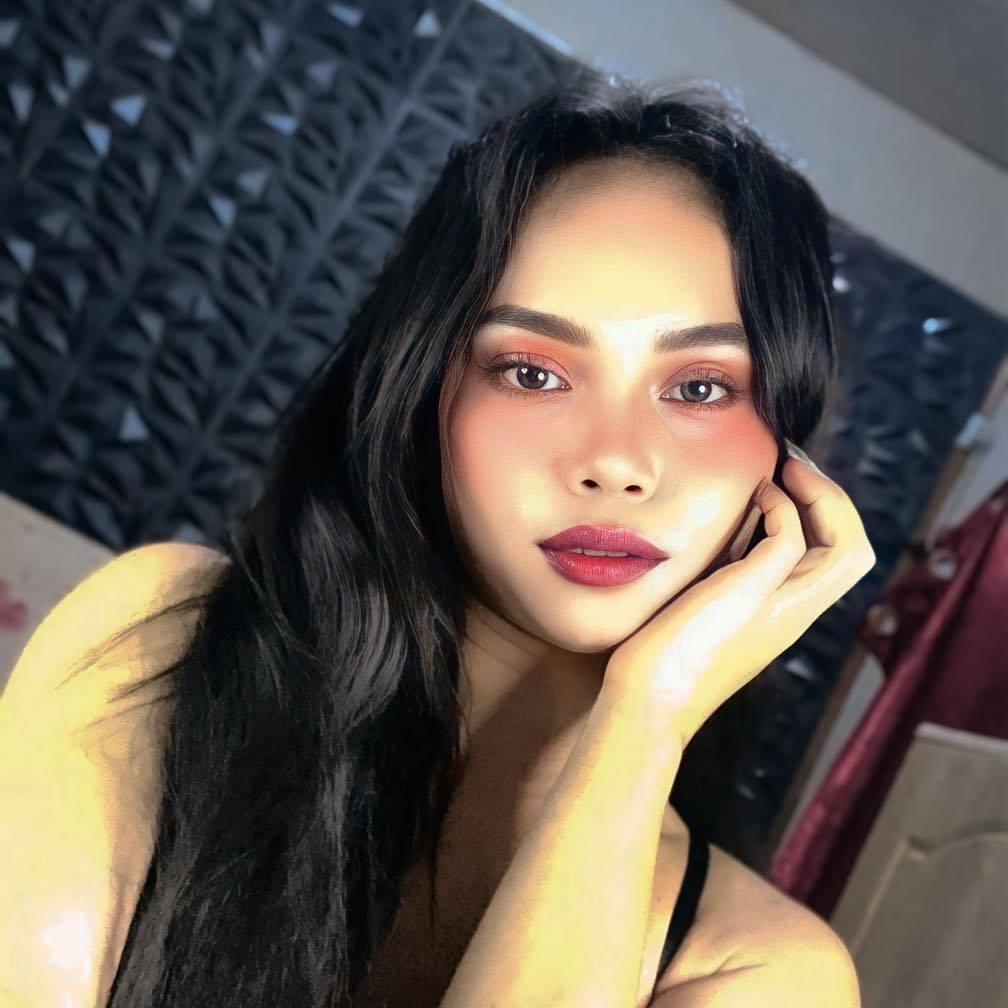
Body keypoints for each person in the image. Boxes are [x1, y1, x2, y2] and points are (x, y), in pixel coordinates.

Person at [0, 68, 874, 1007]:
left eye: (700, 388)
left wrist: (643, 723)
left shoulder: (768, 971)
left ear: (789, 458)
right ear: (423, 392)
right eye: (531, 372)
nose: (615, 462)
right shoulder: (161, 637)